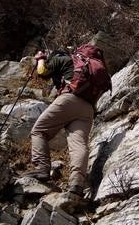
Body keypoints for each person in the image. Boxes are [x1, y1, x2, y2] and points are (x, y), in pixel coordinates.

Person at [25, 50, 94, 197]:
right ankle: (77, 184)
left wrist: (40, 58)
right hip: (88, 108)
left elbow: (42, 72)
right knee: (79, 145)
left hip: (69, 98)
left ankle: (42, 168)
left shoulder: (59, 58)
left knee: (38, 131)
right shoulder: (83, 66)